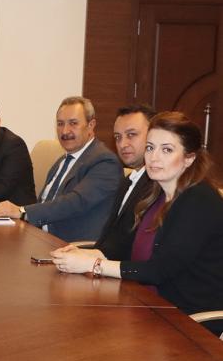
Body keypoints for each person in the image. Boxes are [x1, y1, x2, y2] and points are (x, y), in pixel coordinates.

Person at [49, 112, 223, 335]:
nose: (154, 157)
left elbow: (159, 270)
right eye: (150, 148)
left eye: (167, 150)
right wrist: (86, 254)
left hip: (187, 321)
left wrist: (93, 265)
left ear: (189, 158)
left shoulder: (199, 200)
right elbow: (125, 247)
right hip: (145, 303)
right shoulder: (155, 193)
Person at [0, 96, 123, 242]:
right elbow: (44, 203)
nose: (65, 131)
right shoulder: (62, 161)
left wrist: (22, 211)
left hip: (70, 245)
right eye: (60, 124)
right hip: (39, 237)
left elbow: (75, 202)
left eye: (73, 123)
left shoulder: (105, 162)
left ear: (91, 125)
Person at [91, 104, 156, 258]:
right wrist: (85, 255)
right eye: (117, 137)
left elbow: (132, 246)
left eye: (131, 134)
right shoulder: (127, 180)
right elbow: (109, 237)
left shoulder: (157, 185)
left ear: (154, 136)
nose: (122, 144)